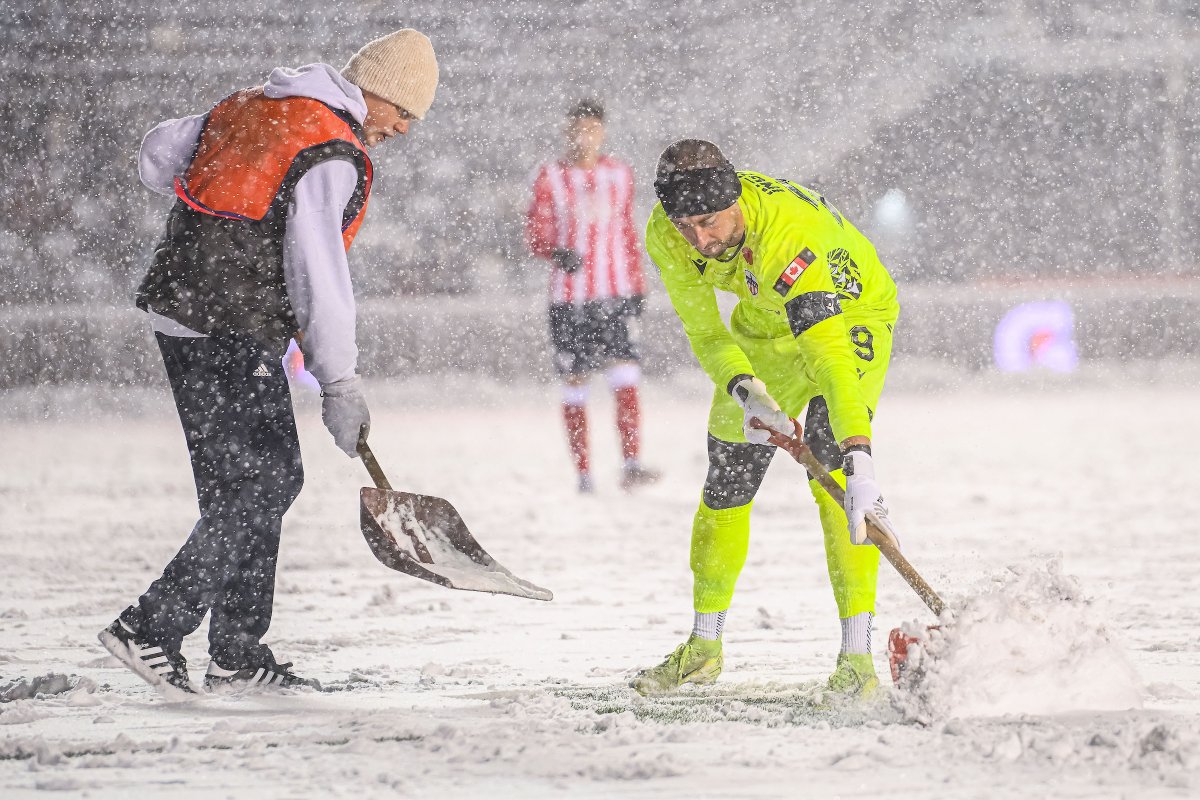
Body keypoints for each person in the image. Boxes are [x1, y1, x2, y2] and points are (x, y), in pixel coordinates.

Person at [97, 30, 439, 694]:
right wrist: (339, 380)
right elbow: (317, 271)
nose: (404, 128)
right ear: (383, 92)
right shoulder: (331, 148)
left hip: (181, 306)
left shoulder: (258, 101)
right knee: (265, 483)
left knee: (240, 488)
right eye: (406, 111)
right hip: (228, 319)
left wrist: (237, 155)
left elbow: (157, 156)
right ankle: (151, 627)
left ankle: (234, 655)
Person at [631, 140, 901, 697]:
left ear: (735, 203)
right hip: (766, 323)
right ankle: (703, 647)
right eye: (687, 226)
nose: (699, 240)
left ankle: (857, 662)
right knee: (727, 475)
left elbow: (828, 358)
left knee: (832, 475)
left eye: (708, 222)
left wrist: (862, 463)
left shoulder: (790, 237)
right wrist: (744, 389)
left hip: (849, 318)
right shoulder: (666, 232)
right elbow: (705, 332)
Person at [525, 99, 659, 493]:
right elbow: (536, 230)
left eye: (591, 130)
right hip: (570, 299)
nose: (583, 138)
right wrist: (553, 250)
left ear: (602, 132)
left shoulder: (620, 175)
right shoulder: (549, 176)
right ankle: (584, 475)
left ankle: (632, 465)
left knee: (626, 376)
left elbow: (627, 233)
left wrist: (638, 285)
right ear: (566, 132)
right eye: (576, 130)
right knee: (575, 381)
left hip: (616, 293)